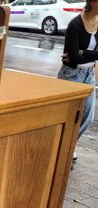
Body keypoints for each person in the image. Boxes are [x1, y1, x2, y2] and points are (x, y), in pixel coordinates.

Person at [57, 0, 98, 163]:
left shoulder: (97, 23)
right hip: (71, 74)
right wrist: (86, 53)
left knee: (87, 117)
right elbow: (73, 58)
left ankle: (68, 145)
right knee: (65, 116)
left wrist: (83, 51)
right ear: (93, 2)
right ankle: (61, 147)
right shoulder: (75, 25)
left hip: (89, 74)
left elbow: (77, 53)